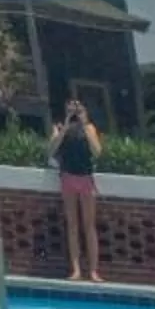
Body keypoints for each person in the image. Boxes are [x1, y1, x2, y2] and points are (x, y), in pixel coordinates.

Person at [47, 97, 103, 283]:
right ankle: (76, 269)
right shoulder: (59, 127)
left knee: (89, 225)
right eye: (71, 106)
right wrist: (65, 123)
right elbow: (51, 149)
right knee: (72, 225)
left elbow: (97, 151)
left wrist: (84, 123)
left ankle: (94, 271)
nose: (74, 109)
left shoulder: (89, 128)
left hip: (85, 178)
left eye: (78, 106)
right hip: (68, 178)